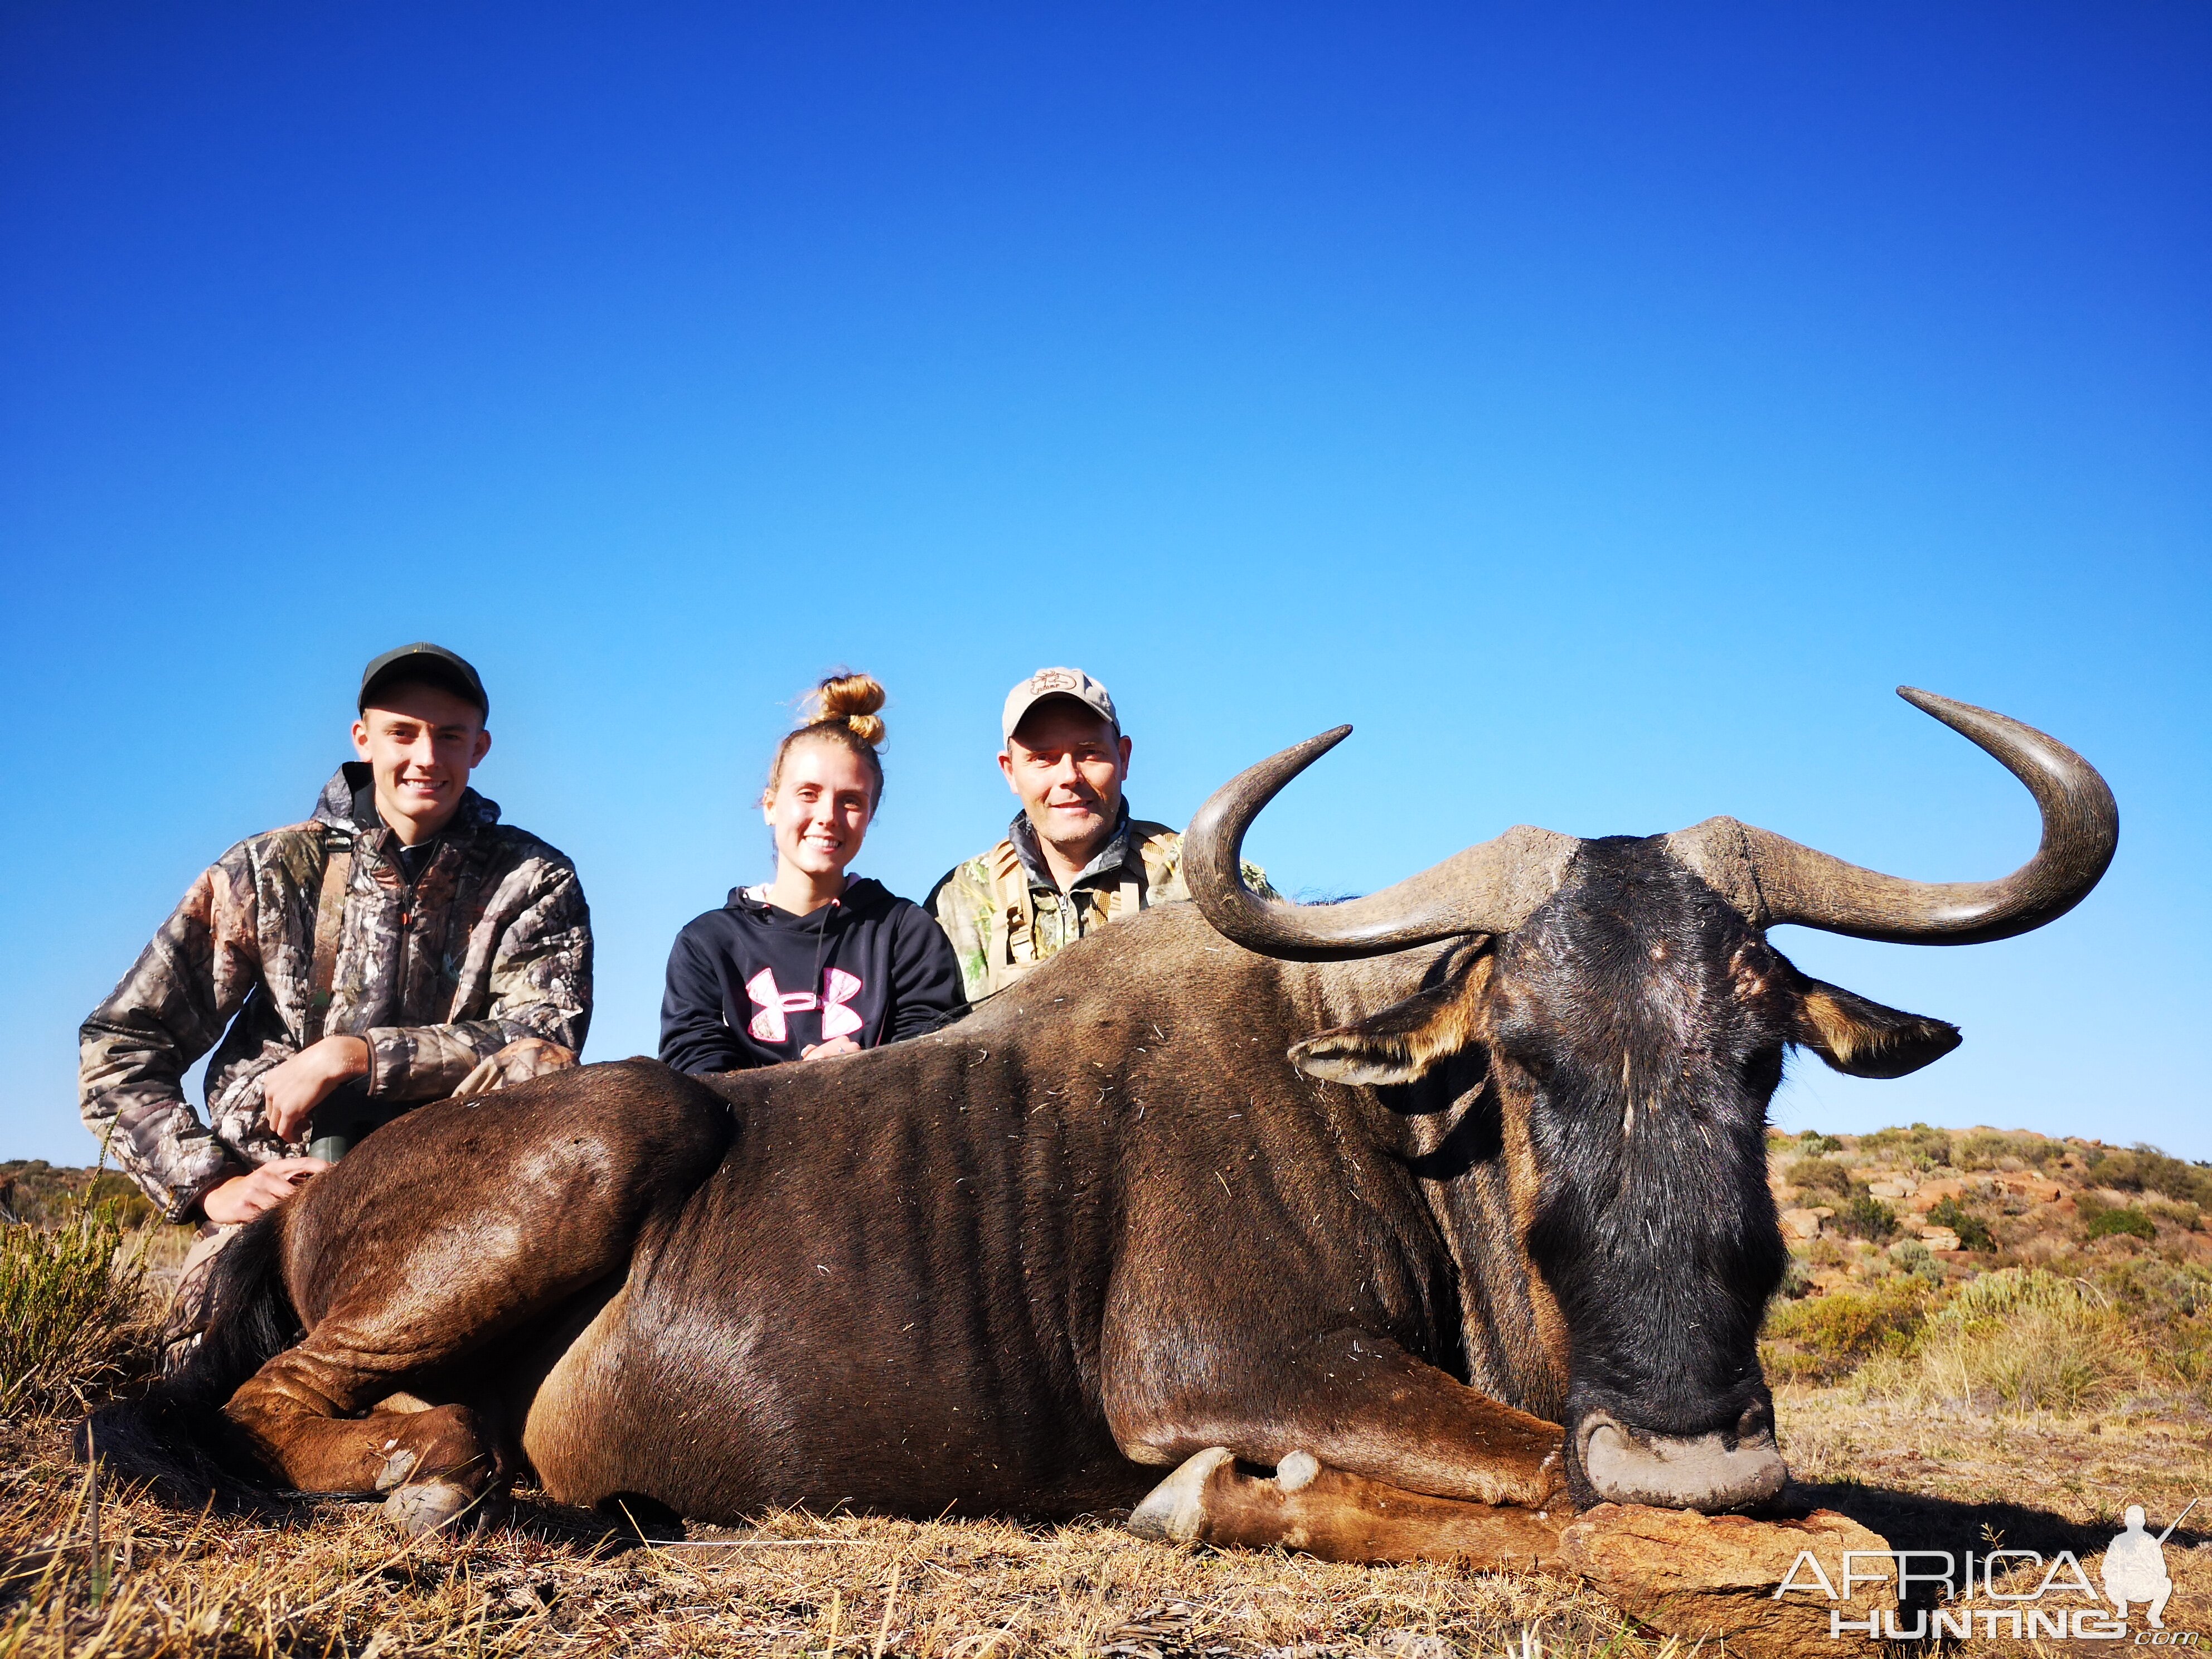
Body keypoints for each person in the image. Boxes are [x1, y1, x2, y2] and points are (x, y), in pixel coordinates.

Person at [79, 644, 593, 1355]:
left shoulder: (534, 879)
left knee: (542, 1070)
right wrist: (212, 1185)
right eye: (402, 733)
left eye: (449, 736)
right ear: (363, 740)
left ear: (480, 748)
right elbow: (120, 1047)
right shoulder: (269, 867)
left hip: (458, 1200)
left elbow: (544, 1035)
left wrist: (355, 1056)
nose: (426, 757)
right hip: (282, 1196)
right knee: (202, 1376)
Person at [659, 673, 965, 1074]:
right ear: (770, 805)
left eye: (851, 801)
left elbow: (933, 1058)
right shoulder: (706, 944)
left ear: (870, 815)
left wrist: (863, 1070)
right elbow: (694, 1068)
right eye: (808, 793)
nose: (828, 817)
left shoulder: (905, 932)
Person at [928, 666, 1272, 1003]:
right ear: (1010, 772)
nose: (1069, 776)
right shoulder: (958, 901)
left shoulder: (1209, 878)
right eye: (1042, 758)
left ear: (1123, 758)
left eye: (1089, 752)